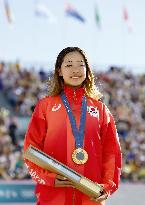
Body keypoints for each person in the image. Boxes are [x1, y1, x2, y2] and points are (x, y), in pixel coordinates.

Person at [24, 47, 122, 205]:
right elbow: (30, 149)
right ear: (60, 71)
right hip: (53, 197)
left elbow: (112, 153)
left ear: (87, 70)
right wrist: (48, 178)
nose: (75, 70)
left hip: (90, 197)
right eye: (69, 65)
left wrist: (107, 186)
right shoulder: (45, 106)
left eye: (80, 65)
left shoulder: (100, 110)